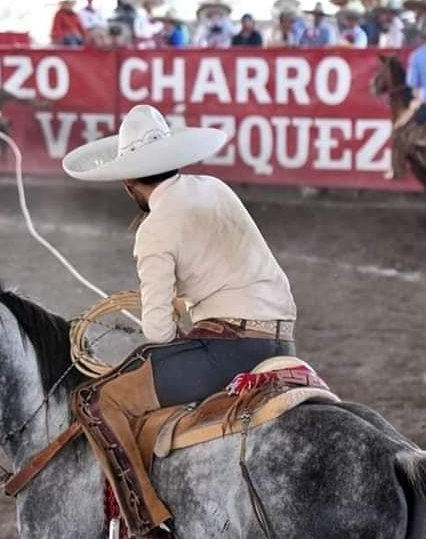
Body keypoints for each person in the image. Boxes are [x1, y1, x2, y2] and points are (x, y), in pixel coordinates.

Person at [63, 105, 297, 539]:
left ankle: (147, 523)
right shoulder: (215, 187)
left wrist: (176, 318)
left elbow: (157, 333)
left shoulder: (153, 229)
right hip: (281, 342)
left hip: (230, 349)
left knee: (97, 401)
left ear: (128, 182)